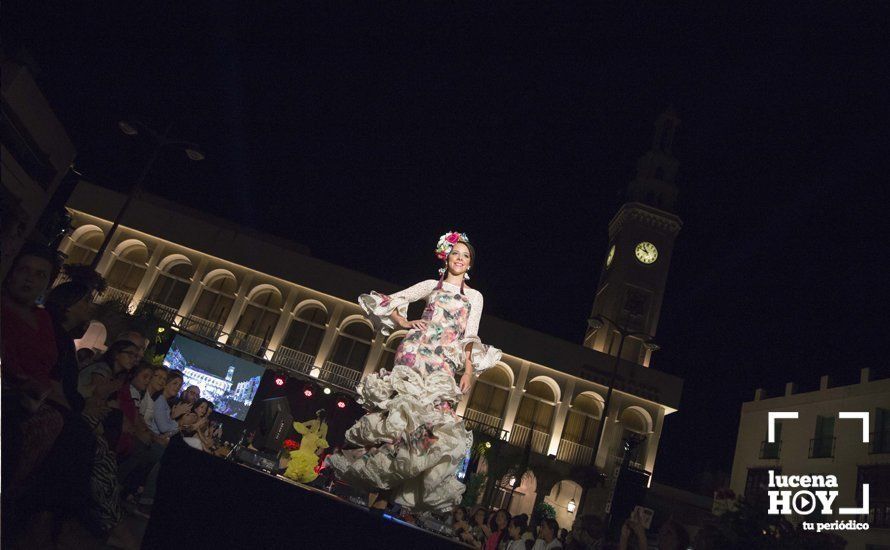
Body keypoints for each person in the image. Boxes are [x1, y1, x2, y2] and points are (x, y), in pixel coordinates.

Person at [328, 231, 501, 512]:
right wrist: (405, 322)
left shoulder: (475, 297)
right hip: (415, 353)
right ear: (447, 257)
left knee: (430, 426)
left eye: (465, 255)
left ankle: (391, 494)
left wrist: (468, 371)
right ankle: (378, 488)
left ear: (470, 264)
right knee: (400, 418)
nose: (460, 258)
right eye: (455, 253)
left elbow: (470, 336)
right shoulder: (432, 285)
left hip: (443, 363)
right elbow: (392, 301)